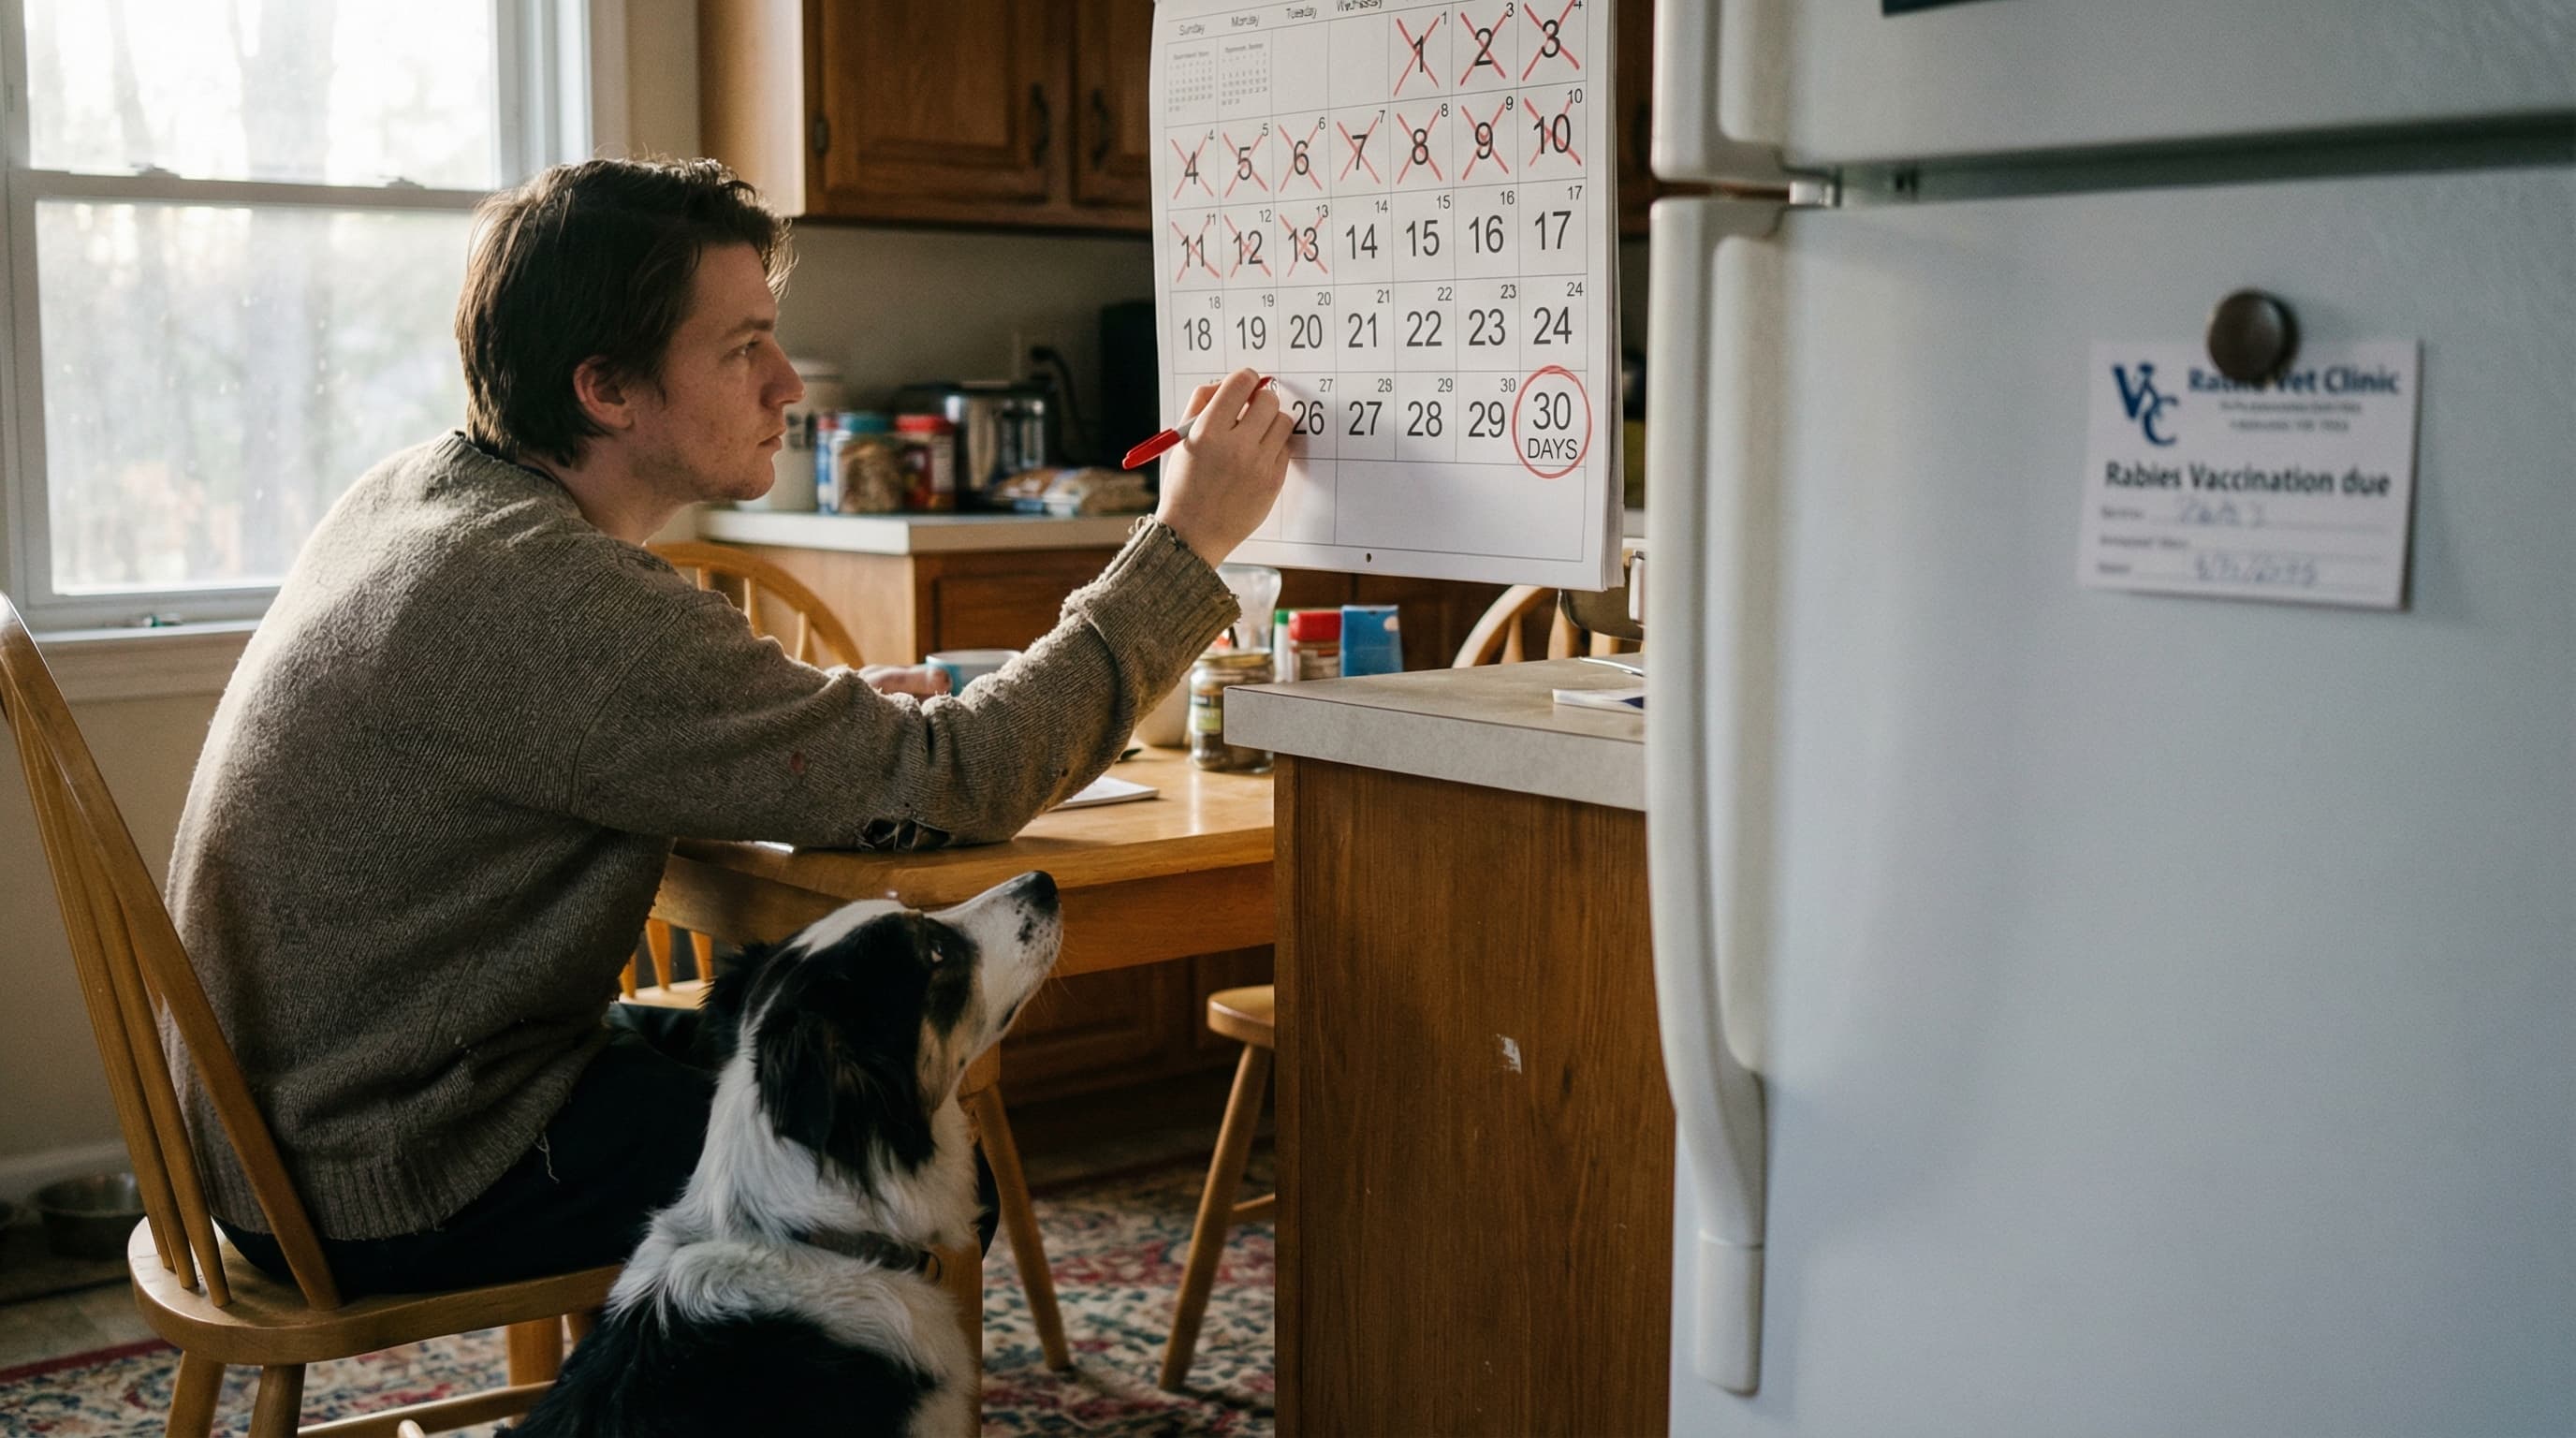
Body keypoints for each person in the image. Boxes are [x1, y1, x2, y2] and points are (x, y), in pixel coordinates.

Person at [166, 157, 1289, 1297]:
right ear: (605, 387)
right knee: (924, 1179)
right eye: (741, 347)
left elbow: (605, 709)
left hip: (293, 1136)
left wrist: (822, 724)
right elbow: (962, 775)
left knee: (842, 1085)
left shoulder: (424, 496)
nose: (788, 383)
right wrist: (1186, 541)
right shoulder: (553, 598)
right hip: (404, 1172)